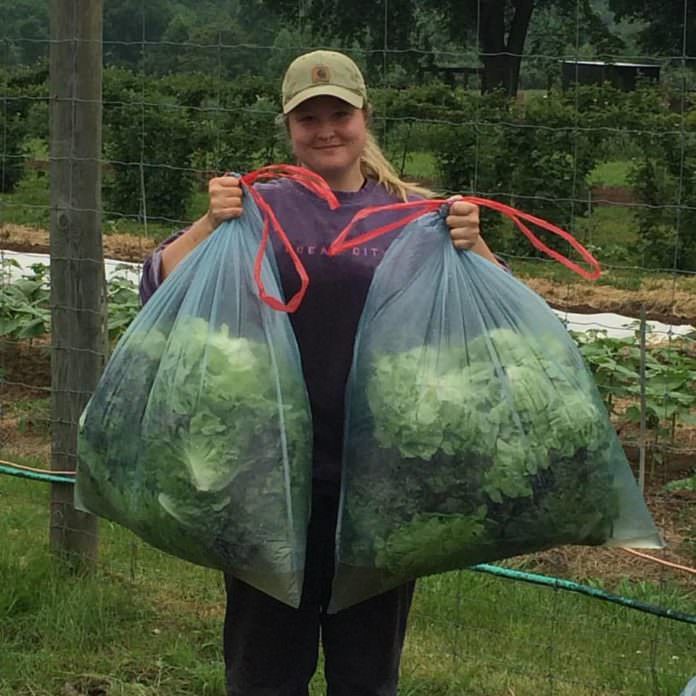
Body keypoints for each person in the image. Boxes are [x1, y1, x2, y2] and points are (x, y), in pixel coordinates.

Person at [139, 50, 504, 696]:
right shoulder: (257, 207)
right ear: (288, 127)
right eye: (309, 118)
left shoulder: (415, 214)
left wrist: (475, 245)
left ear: (365, 117)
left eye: (340, 113)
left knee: (367, 677)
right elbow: (158, 284)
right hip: (268, 482)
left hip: (381, 486)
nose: (326, 129)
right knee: (263, 673)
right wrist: (208, 221)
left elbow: (494, 313)